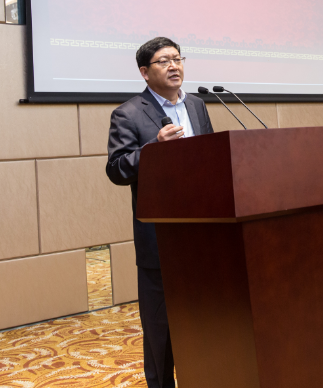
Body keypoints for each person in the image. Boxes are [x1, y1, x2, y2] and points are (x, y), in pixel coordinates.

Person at [106, 36, 214, 388]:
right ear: (144, 72)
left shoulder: (197, 105)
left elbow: (210, 156)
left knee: (206, 318)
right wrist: (155, 148)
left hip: (204, 230)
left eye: (178, 59)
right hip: (160, 235)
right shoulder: (128, 113)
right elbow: (117, 169)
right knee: (161, 328)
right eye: (164, 60)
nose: (174, 66)